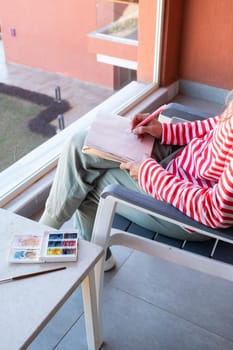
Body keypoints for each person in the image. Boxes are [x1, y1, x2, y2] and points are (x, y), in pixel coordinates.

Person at [39, 91, 233, 271]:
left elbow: (216, 211)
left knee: (90, 181)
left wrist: (150, 175)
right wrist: (165, 131)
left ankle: (43, 239)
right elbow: (216, 126)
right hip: (182, 162)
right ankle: (52, 238)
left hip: (189, 212)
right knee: (80, 143)